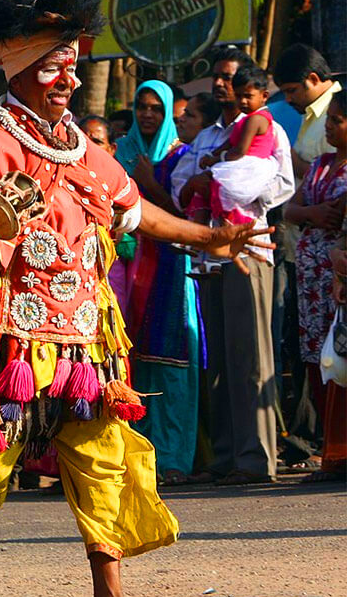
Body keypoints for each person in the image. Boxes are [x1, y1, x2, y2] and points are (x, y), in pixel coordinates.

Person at [0, 0, 274, 597]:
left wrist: (209, 235)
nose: (66, 79)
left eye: (72, 65)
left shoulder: (84, 149)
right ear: (19, 71)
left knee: (100, 458)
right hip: (10, 344)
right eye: (53, 66)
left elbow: (138, 213)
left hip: (83, 342)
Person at [172, 47, 295, 485]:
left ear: (257, 91)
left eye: (234, 79)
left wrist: (228, 183)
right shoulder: (206, 136)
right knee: (218, 360)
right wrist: (204, 181)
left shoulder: (271, 129)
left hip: (248, 250)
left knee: (251, 357)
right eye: (221, 79)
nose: (227, 86)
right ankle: (224, 457)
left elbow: (280, 183)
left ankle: (256, 458)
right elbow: (180, 185)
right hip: (208, 256)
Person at [114, 80, 199, 483]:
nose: (148, 114)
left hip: (172, 265)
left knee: (172, 357)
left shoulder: (181, 156)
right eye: (142, 107)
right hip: (128, 268)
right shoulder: (124, 153)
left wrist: (147, 183)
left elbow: (183, 215)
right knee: (137, 358)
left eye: (156, 109)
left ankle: (174, 458)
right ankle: (138, 458)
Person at [284, 90, 347, 479]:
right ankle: (332, 452)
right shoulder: (322, 165)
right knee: (320, 362)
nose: (329, 127)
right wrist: (314, 212)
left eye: (336, 120)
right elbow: (290, 209)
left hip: (338, 275)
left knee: (342, 359)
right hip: (311, 279)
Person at [189, 66, 278, 226]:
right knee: (205, 189)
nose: (242, 101)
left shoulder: (256, 119)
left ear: (264, 96)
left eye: (248, 96)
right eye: (238, 96)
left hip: (246, 167)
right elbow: (230, 142)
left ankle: (217, 228)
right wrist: (213, 155)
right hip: (239, 164)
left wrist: (216, 160)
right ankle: (201, 231)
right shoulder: (246, 119)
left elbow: (239, 150)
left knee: (215, 188)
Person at [273, 43, 342, 179]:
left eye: (292, 91)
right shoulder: (310, 110)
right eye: (284, 93)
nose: (287, 99)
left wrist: (284, 152)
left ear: (313, 79)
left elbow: (335, 179)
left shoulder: (340, 113)